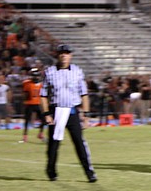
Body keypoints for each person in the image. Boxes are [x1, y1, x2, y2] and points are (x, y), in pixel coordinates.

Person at [39, 44, 97, 183]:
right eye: (61, 53)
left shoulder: (77, 71)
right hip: (56, 110)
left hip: (72, 111)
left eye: (66, 53)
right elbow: (43, 95)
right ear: (57, 55)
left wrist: (86, 115)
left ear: (70, 55)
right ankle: (51, 171)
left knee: (79, 143)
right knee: (54, 144)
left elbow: (84, 94)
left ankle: (89, 173)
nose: (64, 55)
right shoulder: (50, 72)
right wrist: (46, 113)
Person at [20, 67, 46, 143]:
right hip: (29, 104)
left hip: (38, 104)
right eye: (34, 76)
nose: (35, 77)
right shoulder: (27, 83)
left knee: (44, 120)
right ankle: (25, 136)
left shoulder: (42, 84)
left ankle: (40, 133)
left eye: (37, 76)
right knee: (27, 121)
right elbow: (25, 94)